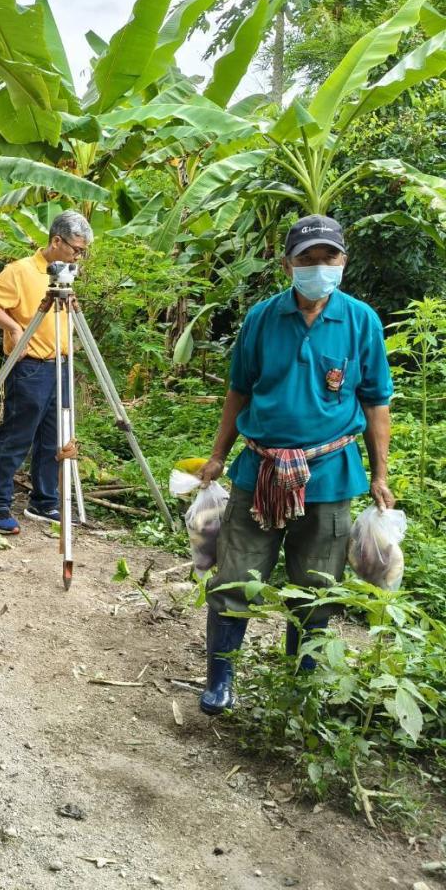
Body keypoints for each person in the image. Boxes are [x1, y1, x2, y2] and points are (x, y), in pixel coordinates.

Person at [195, 215, 394, 715]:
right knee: (234, 578)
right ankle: (221, 678)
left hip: (330, 476)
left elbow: (375, 402)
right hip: (257, 473)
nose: (318, 267)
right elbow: (238, 390)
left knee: (316, 587)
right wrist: (218, 454)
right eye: (307, 259)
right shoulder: (262, 318)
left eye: (328, 258)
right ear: (288, 264)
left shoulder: (360, 321)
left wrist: (380, 474)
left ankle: (300, 685)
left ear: (343, 261)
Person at [0, 211, 93, 534]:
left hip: (61, 365)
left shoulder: (65, 274)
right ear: (56, 240)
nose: (78, 256)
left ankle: (44, 500)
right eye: (75, 249)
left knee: (55, 436)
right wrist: (12, 327)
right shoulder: (20, 271)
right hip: (31, 366)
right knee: (17, 435)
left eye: (82, 251)